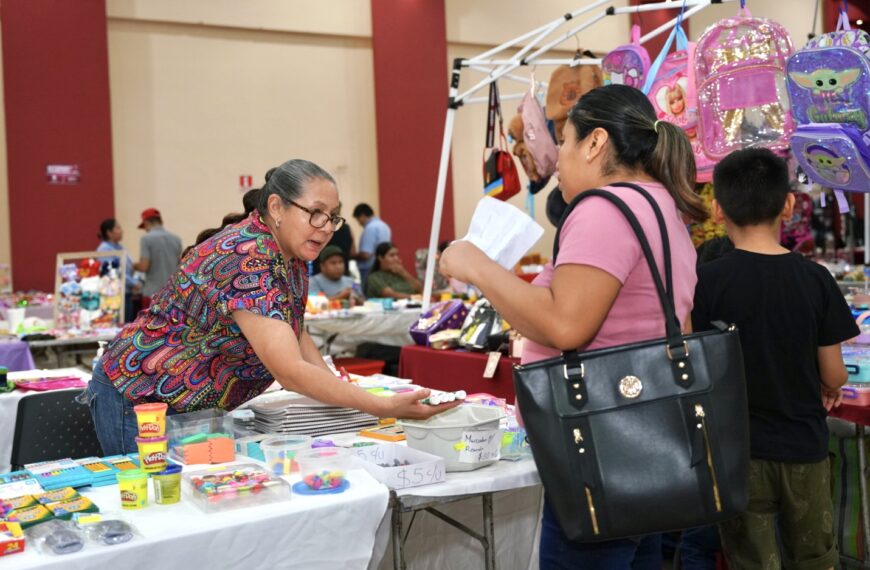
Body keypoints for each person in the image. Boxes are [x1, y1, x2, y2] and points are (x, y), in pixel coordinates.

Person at [440, 84, 707, 568]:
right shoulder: (661, 207)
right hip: (646, 436)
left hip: (600, 449)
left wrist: (477, 266)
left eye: (564, 141)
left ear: (595, 143)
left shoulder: (604, 210)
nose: (556, 157)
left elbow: (566, 326)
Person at [82, 159, 456, 455]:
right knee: (161, 513)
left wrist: (344, 390)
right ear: (276, 207)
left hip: (186, 404)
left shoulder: (289, 253)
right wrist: (382, 407)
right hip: (142, 397)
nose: (326, 227)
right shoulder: (250, 258)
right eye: (316, 213)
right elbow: (291, 371)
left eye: (333, 216)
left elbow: (296, 331)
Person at [691, 148, 858, 570]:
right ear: (787, 204)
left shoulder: (705, 280)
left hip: (737, 452)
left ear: (717, 208)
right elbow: (834, 373)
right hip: (804, 447)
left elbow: (696, 366)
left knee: (750, 559)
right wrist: (830, 387)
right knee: (816, 557)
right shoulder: (815, 278)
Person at [97, 218, 142, 322]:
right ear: (109, 232)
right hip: (114, 294)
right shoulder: (104, 249)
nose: (121, 230)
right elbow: (113, 272)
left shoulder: (121, 248)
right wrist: (133, 283)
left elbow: (128, 269)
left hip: (126, 292)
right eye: (118, 228)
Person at [134, 208, 183, 298]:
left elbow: (144, 266)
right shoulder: (176, 239)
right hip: (172, 293)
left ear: (146, 223)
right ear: (161, 221)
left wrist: (133, 266)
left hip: (152, 293)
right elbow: (179, 266)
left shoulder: (146, 239)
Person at [352, 203, 391, 284]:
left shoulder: (370, 228)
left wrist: (350, 255)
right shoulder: (384, 226)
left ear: (362, 215)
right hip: (381, 267)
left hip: (369, 269)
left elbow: (366, 255)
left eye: (358, 219)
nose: (359, 223)